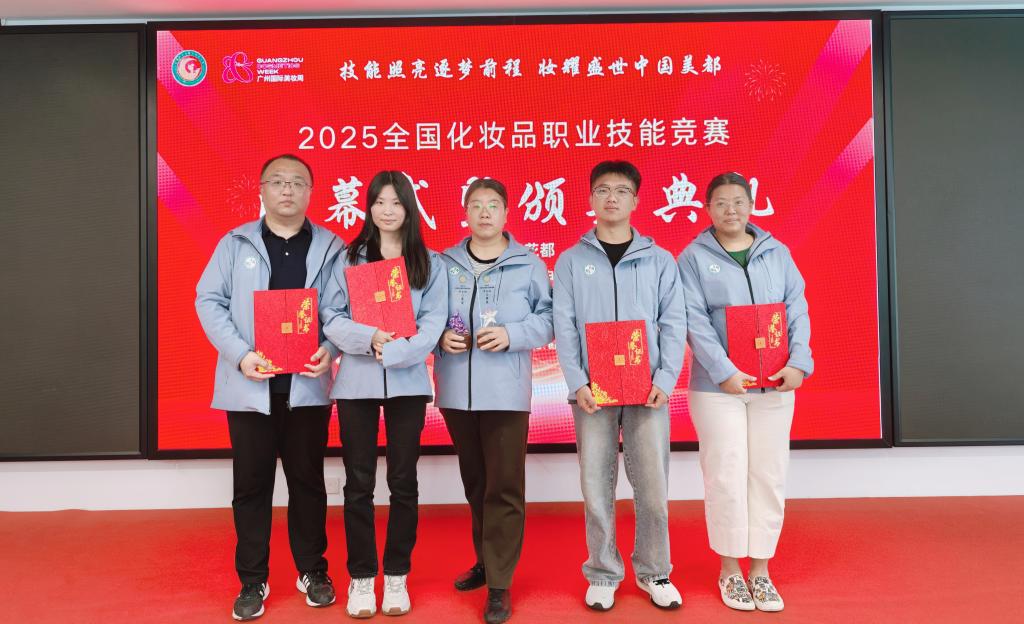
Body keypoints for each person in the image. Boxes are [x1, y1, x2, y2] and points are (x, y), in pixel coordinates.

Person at [195, 154, 344, 621]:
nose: (287, 190)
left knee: (308, 483)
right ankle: (252, 580)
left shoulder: (331, 247)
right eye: (278, 181)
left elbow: (342, 310)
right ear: (261, 189)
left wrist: (329, 349)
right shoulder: (234, 242)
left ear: (310, 192)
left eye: (297, 182)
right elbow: (208, 300)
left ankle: (312, 570)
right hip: (249, 387)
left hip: (306, 386)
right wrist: (241, 354)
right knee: (251, 485)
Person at [552, 160, 687, 611]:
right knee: (596, 486)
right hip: (593, 391)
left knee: (653, 487)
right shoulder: (570, 261)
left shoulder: (659, 259)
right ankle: (603, 572)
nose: (612, 198)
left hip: (648, 389)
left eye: (622, 190)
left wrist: (665, 378)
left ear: (636, 200)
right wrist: (577, 382)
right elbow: (564, 326)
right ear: (590, 198)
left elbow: (674, 322)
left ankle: (655, 571)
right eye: (603, 190)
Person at [677, 172, 813, 613]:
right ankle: (730, 569)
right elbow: (693, 319)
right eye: (721, 202)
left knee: (769, 474)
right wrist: (723, 371)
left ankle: (761, 570)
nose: (730, 209)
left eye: (738, 201)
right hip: (718, 389)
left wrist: (799, 362)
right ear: (707, 209)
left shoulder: (777, 252)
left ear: (751, 205)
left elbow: (797, 308)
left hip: (775, 382)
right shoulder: (693, 257)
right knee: (726, 472)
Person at [321, 170, 448, 619]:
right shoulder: (348, 258)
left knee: (403, 481)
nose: (387, 210)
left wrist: (393, 350)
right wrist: (369, 338)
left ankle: (396, 574)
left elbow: (433, 324)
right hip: (356, 382)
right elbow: (330, 315)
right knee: (358, 482)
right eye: (379, 202)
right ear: (368, 207)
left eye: (396, 202)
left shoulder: (428, 263)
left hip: (408, 383)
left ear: (409, 207)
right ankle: (361, 576)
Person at [433, 178, 554, 624]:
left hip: (506, 392)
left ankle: (500, 585)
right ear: (465, 213)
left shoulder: (528, 264)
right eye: (477, 205)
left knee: (504, 486)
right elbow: (424, 315)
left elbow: (549, 319)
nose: (485, 213)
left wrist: (512, 334)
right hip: (456, 392)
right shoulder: (443, 263)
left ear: (506, 213)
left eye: (493, 205)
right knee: (476, 483)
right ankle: (486, 561)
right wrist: (438, 337)